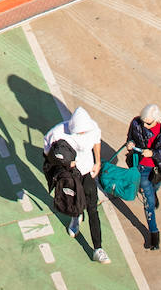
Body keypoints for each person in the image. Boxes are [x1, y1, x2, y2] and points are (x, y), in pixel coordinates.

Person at [44, 108, 111, 264]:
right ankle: (75, 218)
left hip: (87, 171)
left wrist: (98, 162)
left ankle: (98, 248)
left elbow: (96, 141)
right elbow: (47, 151)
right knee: (73, 201)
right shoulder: (58, 132)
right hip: (70, 174)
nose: (81, 135)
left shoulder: (92, 128)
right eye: (78, 133)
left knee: (93, 208)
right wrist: (62, 164)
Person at [126, 103, 161, 251]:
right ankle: (154, 233)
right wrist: (130, 144)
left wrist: (153, 153)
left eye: (148, 123)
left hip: (158, 168)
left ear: (156, 119)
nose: (145, 125)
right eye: (143, 121)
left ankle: (153, 192)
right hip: (142, 168)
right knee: (148, 202)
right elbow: (130, 137)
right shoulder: (136, 123)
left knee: (154, 186)